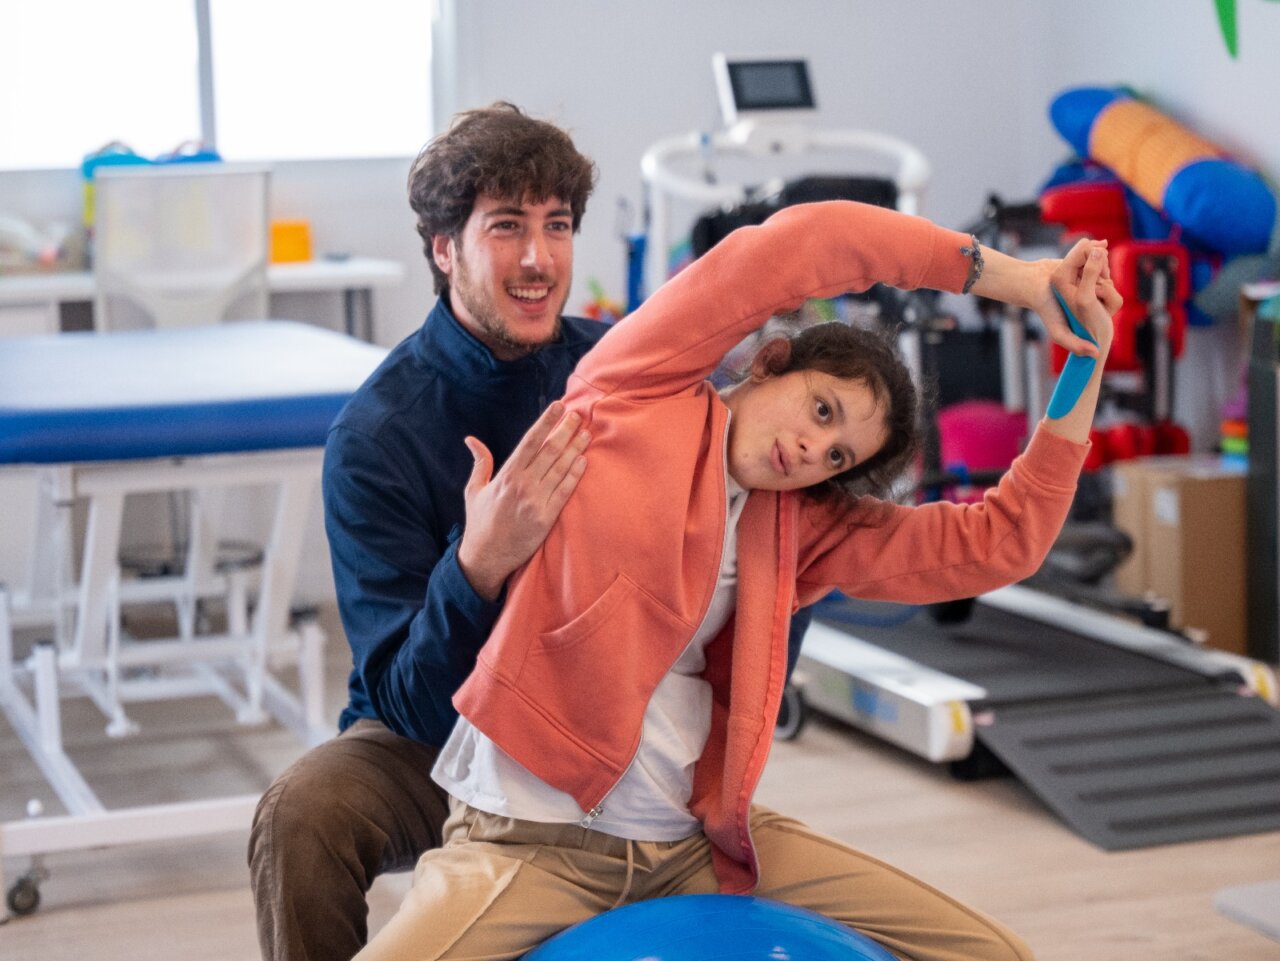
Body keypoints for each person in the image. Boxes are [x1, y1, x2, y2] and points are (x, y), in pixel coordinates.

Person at [353, 200, 1120, 961]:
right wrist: (1019, 281)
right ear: (769, 362)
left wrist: (1087, 357)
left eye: (838, 456)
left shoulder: (798, 527)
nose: (813, 448)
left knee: (995, 953)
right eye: (821, 409)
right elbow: (808, 243)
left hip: (690, 848)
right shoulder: (636, 388)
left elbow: (1001, 541)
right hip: (533, 844)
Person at [248, 102, 609, 961]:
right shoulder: (377, 435)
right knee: (305, 813)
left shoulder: (615, 373)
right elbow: (404, 700)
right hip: (437, 741)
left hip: (595, 722)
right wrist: (477, 565)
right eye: (507, 226)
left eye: (557, 225)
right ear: (444, 248)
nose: (538, 258)